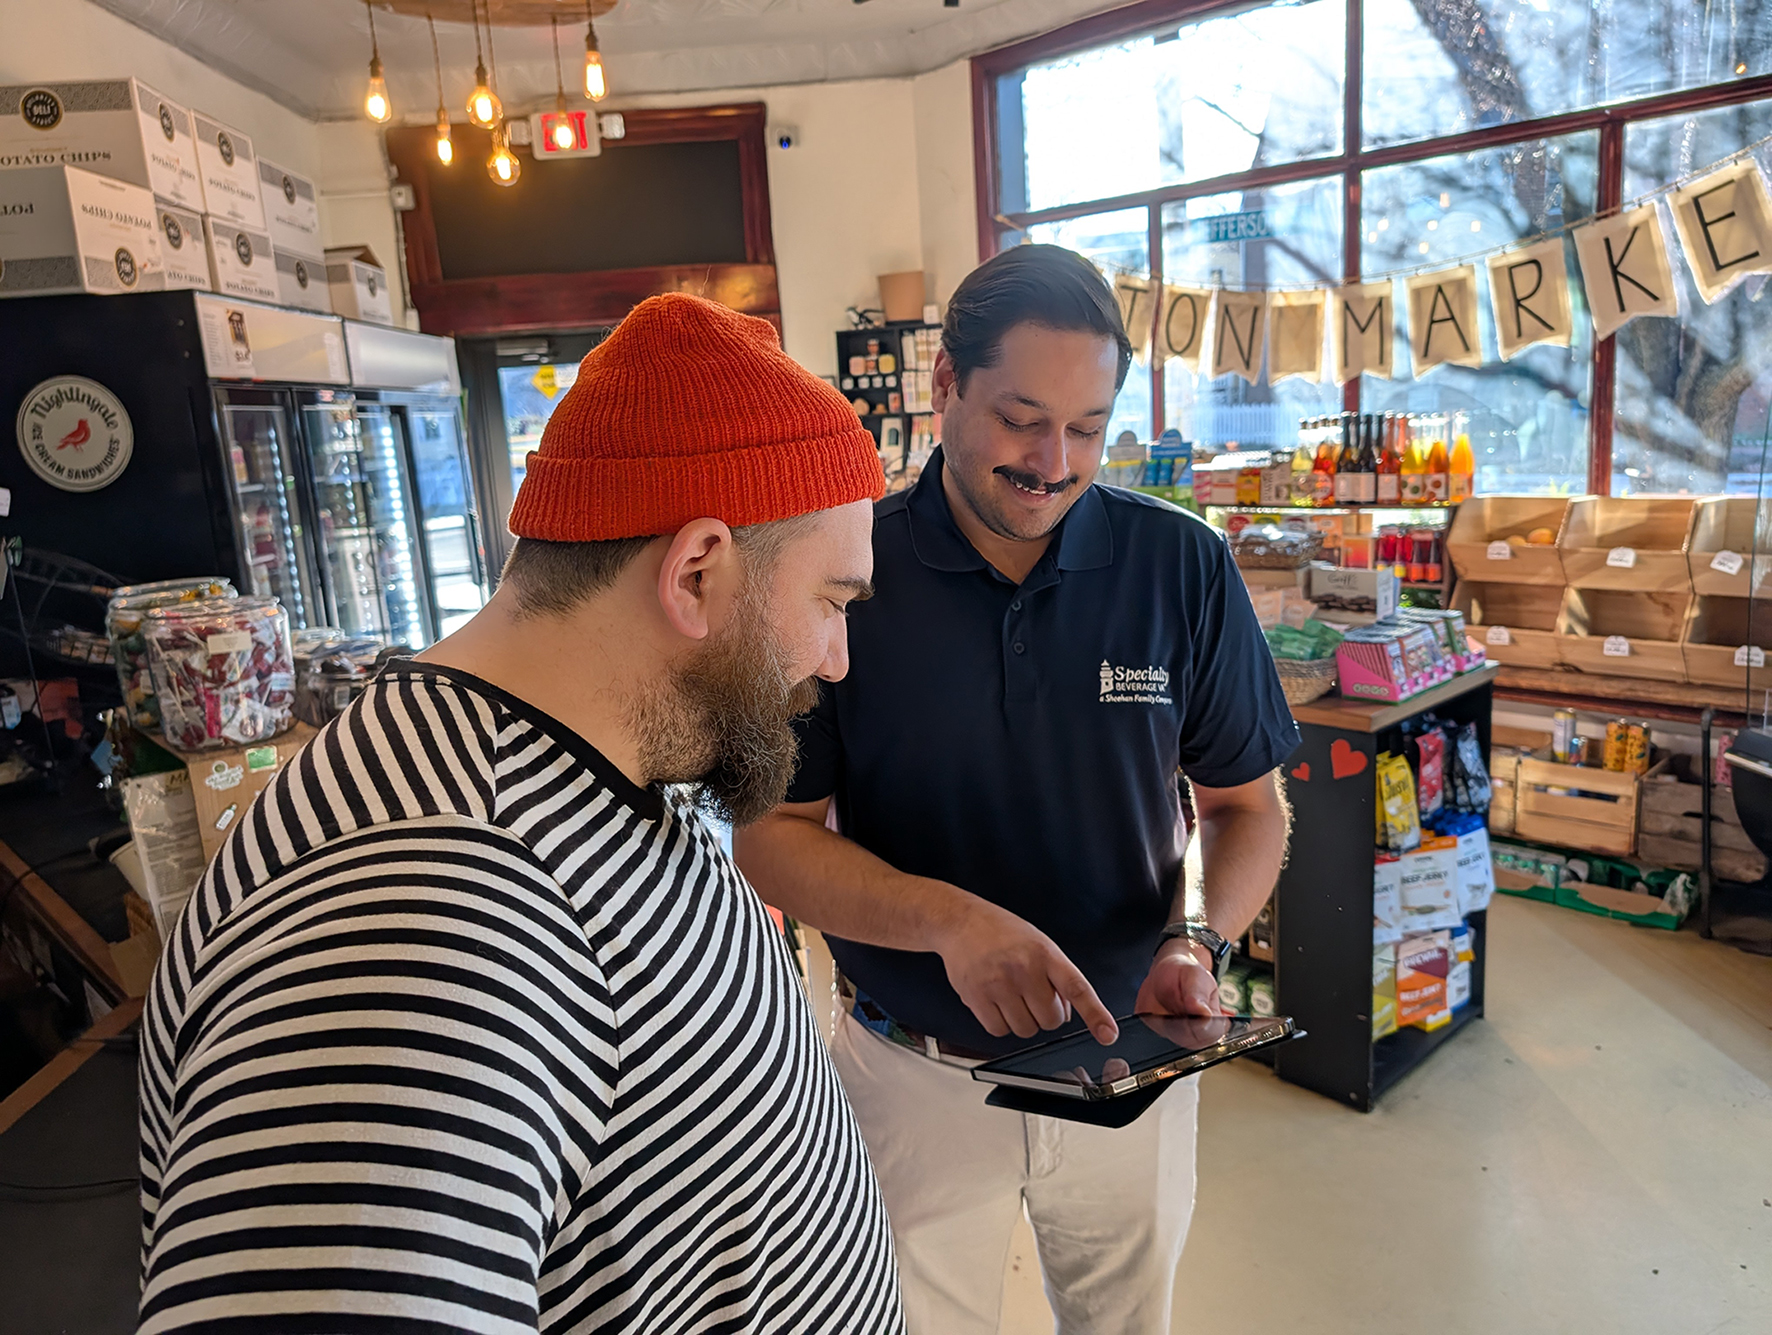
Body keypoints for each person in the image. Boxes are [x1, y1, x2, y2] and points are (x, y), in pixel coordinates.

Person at [137, 295, 904, 1335]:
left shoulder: (604, 757)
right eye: (832, 603)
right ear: (695, 571)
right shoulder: (428, 906)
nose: (837, 660)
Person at [734, 245, 1298, 1334]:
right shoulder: (848, 571)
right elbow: (769, 834)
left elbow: (1244, 807)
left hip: (1128, 1065)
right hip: (911, 1076)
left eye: (1088, 428)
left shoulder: (1180, 566)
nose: (1053, 463)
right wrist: (946, 922)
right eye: (1021, 419)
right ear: (944, 383)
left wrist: (1199, 942)